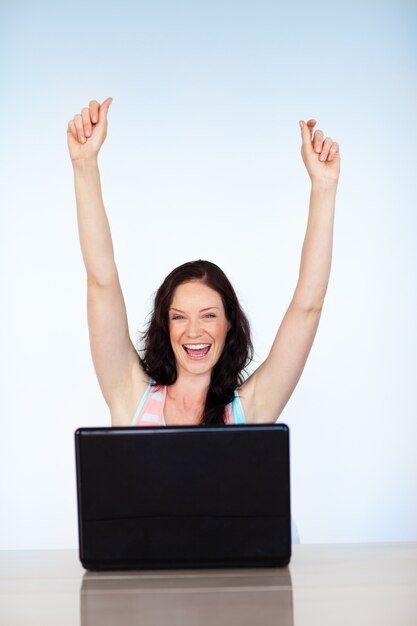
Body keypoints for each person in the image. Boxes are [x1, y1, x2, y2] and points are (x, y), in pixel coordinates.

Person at [66, 97, 340, 431]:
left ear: (229, 323)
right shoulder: (130, 394)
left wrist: (324, 187)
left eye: (209, 315)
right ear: (165, 327)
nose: (193, 331)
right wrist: (84, 165)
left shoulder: (249, 408)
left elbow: (308, 306)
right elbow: (101, 281)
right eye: (179, 317)